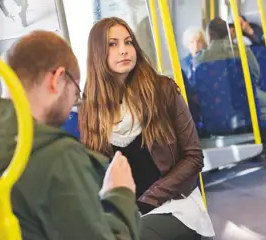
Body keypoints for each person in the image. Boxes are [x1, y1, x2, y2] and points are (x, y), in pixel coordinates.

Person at [0, 30, 140, 240]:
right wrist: (120, 195)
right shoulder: (58, 157)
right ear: (58, 79)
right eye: (75, 93)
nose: (71, 107)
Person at [79, 17, 215, 240]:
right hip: (126, 210)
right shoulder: (91, 111)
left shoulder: (163, 90)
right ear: (97, 53)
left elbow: (193, 157)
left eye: (128, 42)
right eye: (113, 44)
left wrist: (145, 203)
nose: (123, 50)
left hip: (175, 204)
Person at [194, 18, 266, 168]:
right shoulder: (242, 51)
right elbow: (255, 75)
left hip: (213, 113)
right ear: (228, 33)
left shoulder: (199, 59)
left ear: (209, 36)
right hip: (242, 107)